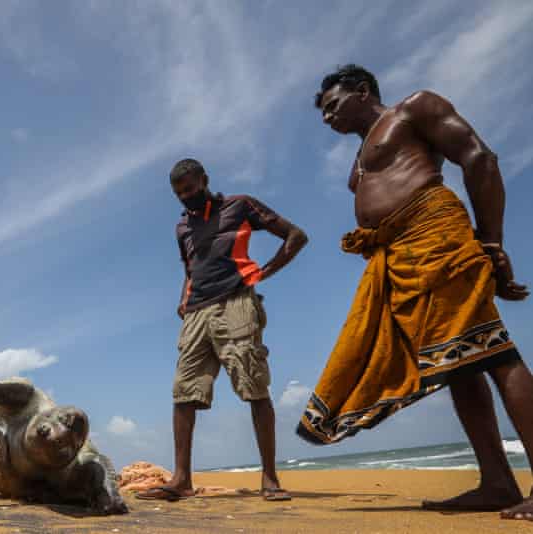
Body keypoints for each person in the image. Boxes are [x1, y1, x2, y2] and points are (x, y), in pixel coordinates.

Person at [300, 64, 533, 521]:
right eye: (323, 113)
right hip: (399, 257)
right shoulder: (359, 157)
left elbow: (478, 158)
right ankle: (498, 482)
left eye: (333, 106)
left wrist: (491, 244)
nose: (327, 118)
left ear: (363, 92)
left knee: (496, 355)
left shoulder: (413, 109)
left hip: (436, 238)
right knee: (457, 363)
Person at [138, 158, 308, 502]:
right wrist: (182, 300)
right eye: (179, 193)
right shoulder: (182, 227)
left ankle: (270, 479)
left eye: (190, 188)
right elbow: (190, 268)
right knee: (183, 393)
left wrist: (265, 272)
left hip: (236, 303)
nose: (186, 196)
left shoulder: (239, 206)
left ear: (204, 180)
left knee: (254, 385)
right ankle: (182, 480)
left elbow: (296, 235)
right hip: (196, 314)